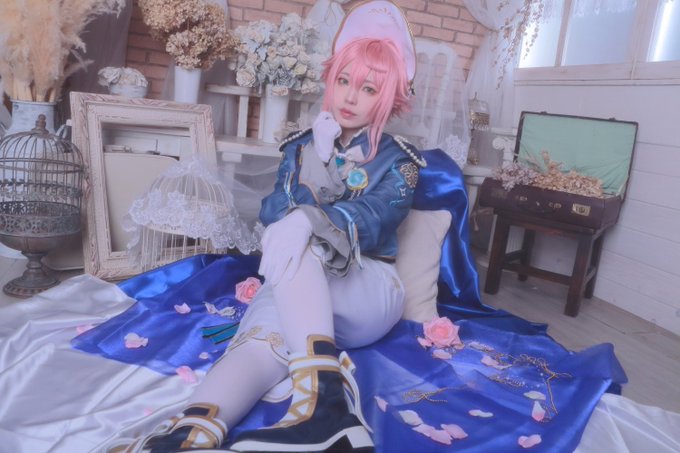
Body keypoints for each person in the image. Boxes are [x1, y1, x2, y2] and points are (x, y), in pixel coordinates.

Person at [112, 1, 424, 451]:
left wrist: (309, 218)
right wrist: (317, 159)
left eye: (369, 88)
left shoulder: (400, 160)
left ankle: (325, 410)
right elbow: (274, 211)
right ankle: (190, 434)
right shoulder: (301, 147)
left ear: (390, 97)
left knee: (302, 248)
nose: (350, 97)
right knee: (262, 340)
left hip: (367, 287)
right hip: (303, 288)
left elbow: (377, 217)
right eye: (343, 81)